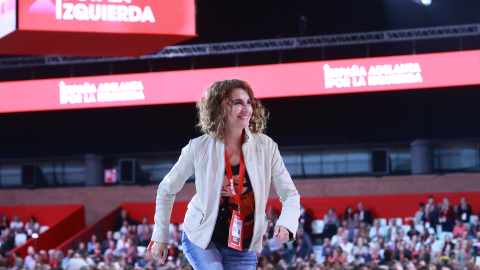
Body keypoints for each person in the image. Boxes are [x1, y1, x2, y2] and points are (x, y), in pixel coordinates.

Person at [148, 79, 300, 269]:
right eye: (237, 103)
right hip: (203, 238)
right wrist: (160, 237)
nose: (246, 109)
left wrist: (287, 223)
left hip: (243, 244)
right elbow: (166, 190)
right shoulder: (198, 147)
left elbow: (290, 194)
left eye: (248, 102)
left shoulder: (266, 146)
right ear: (219, 108)